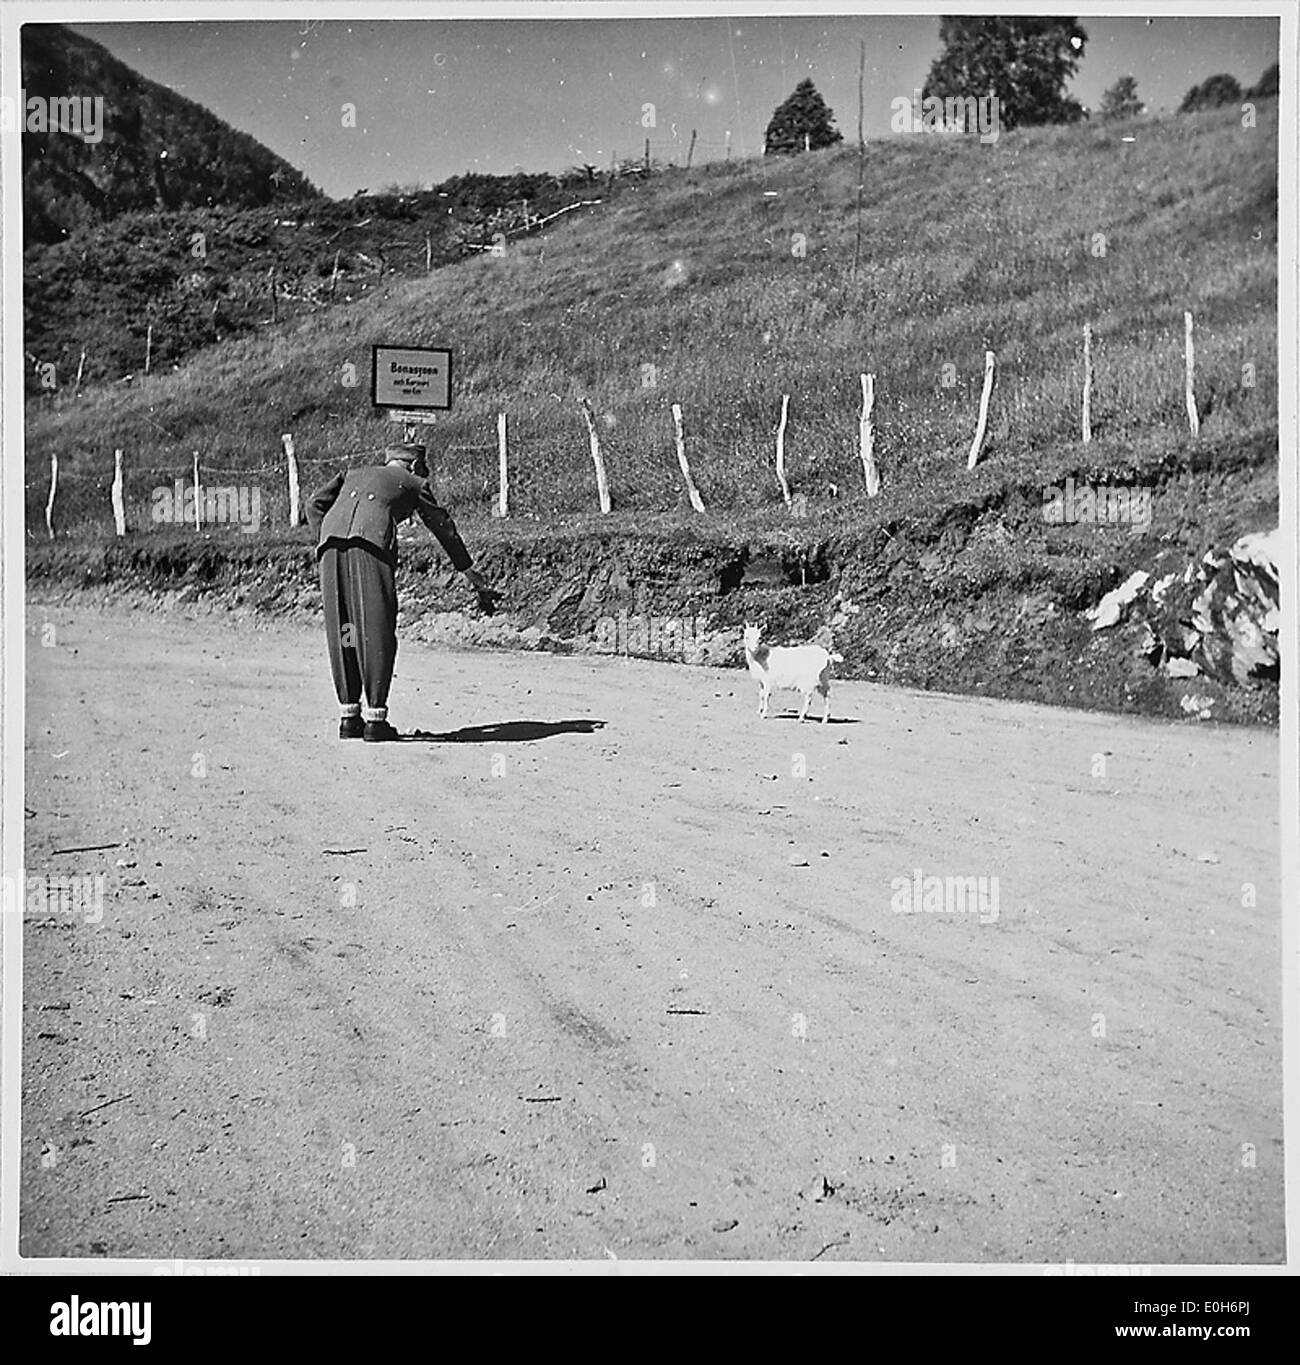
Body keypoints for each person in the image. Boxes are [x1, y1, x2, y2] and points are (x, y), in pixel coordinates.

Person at [306, 442, 494, 741]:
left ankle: (349, 716)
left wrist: (325, 536)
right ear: (417, 466)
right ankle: (375, 720)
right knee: (374, 626)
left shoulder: (352, 472)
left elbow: (315, 504)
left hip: (331, 548)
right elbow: (441, 524)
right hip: (370, 547)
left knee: (345, 627)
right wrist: (468, 569)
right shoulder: (415, 483)